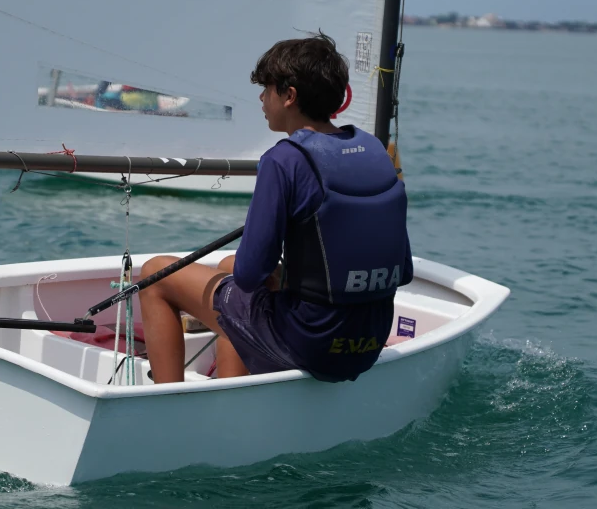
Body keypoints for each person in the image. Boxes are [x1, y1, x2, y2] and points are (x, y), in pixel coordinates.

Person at [139, 33, 413, 383]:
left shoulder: (284, 160)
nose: (261, 98)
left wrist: (276, 274)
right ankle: (234, 390)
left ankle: (170, 404)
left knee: (155, 274)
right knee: (227, 266)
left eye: (267, 89)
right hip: (367, 340)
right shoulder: (376, 150)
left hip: (311, 341)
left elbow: (250, 274)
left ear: (289, 96)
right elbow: (402, 270)